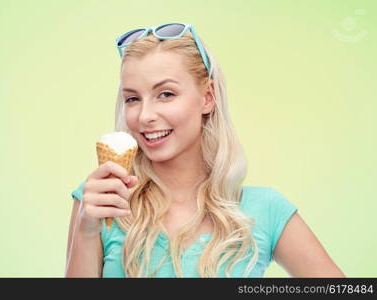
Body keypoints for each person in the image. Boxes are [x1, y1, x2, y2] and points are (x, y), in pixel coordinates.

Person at [65, 23, 345, 278]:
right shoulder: (101, 202)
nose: (144, 116)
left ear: (208, 98)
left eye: (166, 94)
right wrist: (87, 228)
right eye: (133, 98)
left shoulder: (265, 211)